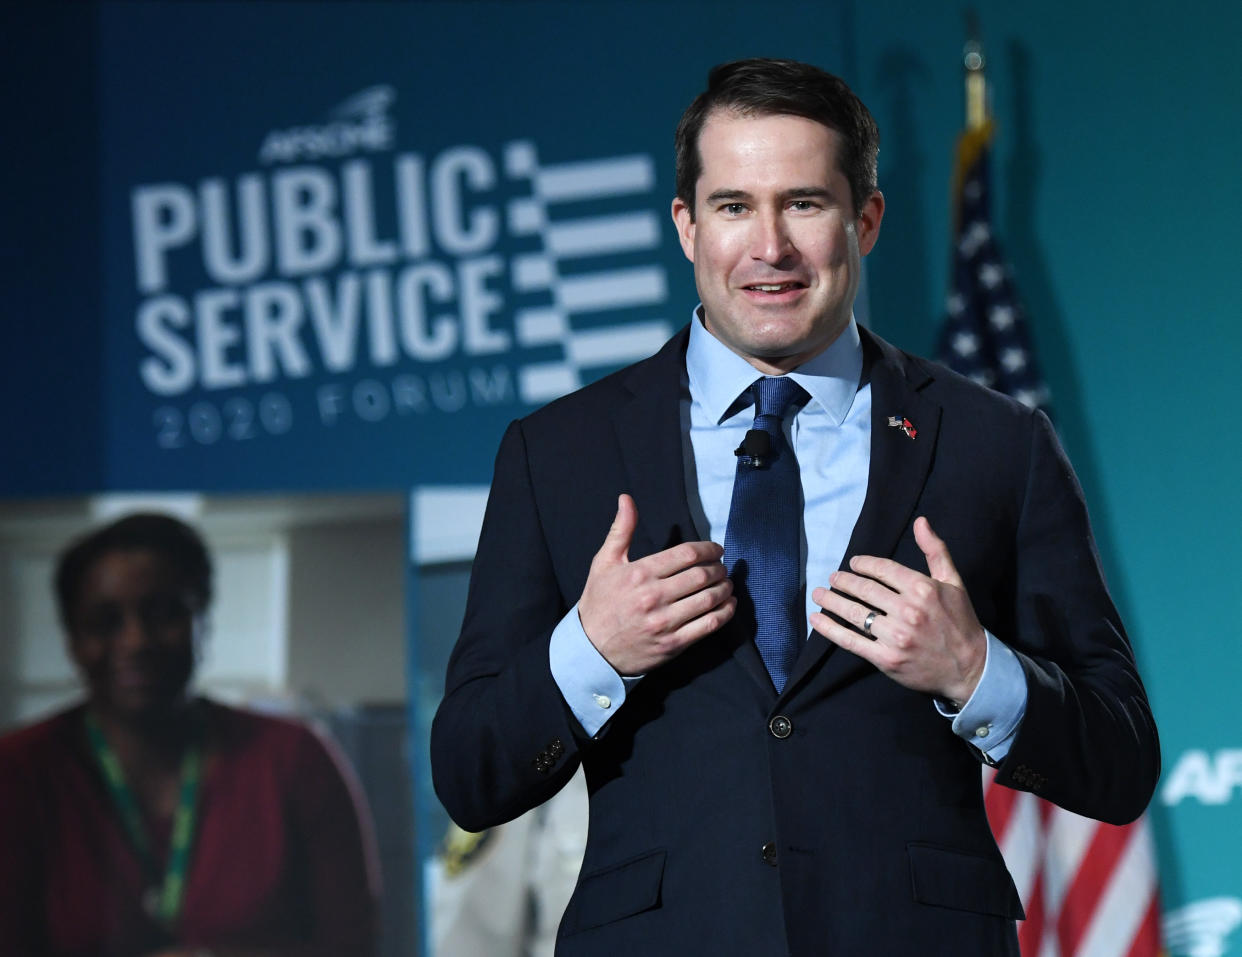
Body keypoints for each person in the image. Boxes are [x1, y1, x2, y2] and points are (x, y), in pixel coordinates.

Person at [430, 58, 1158, 955]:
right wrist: (593, 650)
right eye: (733, 206)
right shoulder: (558, 453)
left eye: (804, 204)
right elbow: (470, 773)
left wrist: (976, 672)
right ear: (686, 227)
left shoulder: (997, 443)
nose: (768, 246)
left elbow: (1121, 760)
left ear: (867, 220)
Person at [0, 513, 380, 957]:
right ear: (72, 640)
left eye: (163, 613)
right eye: (105, 621)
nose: (136, 641)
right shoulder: (17, 773)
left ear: (204, 619)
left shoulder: (296, 760)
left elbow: (356, 946)